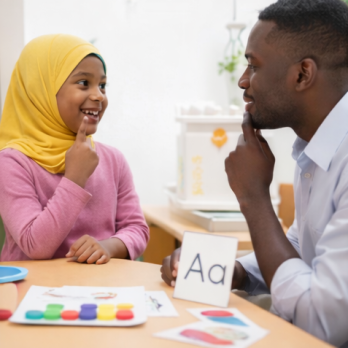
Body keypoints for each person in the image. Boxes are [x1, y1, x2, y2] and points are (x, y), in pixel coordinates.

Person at [160, 0, 348, 346]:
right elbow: (303, 247)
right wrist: (237, 271)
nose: (243, 81)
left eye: (253, 65)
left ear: (303, 74)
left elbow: (322, 325)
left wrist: (254, 197)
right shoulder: (316, 146)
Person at [0, 34, 149, 264]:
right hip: (31, 294)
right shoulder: (12, 163)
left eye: (102, 85)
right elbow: (34, 245)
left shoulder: (113, 160)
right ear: (43, 90)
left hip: (100, 292)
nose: (99, 95)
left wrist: (107, 247)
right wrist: (74, 179)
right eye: (83, 83)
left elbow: (137, 229)